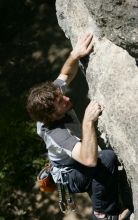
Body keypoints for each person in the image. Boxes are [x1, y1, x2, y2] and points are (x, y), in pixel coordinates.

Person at [26, 33, 133, 220]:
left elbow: (66, 74)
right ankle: (102, 215)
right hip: (69, 175)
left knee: (104, 161)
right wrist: (87, 121)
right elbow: (89, 160)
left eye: (62, 96)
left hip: (77, 160)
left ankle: (120, 202)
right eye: (62, 103)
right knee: (105, 159)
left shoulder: (52, 98)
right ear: (51, 115)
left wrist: (74, 55)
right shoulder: (57, 132)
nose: (67, 98)